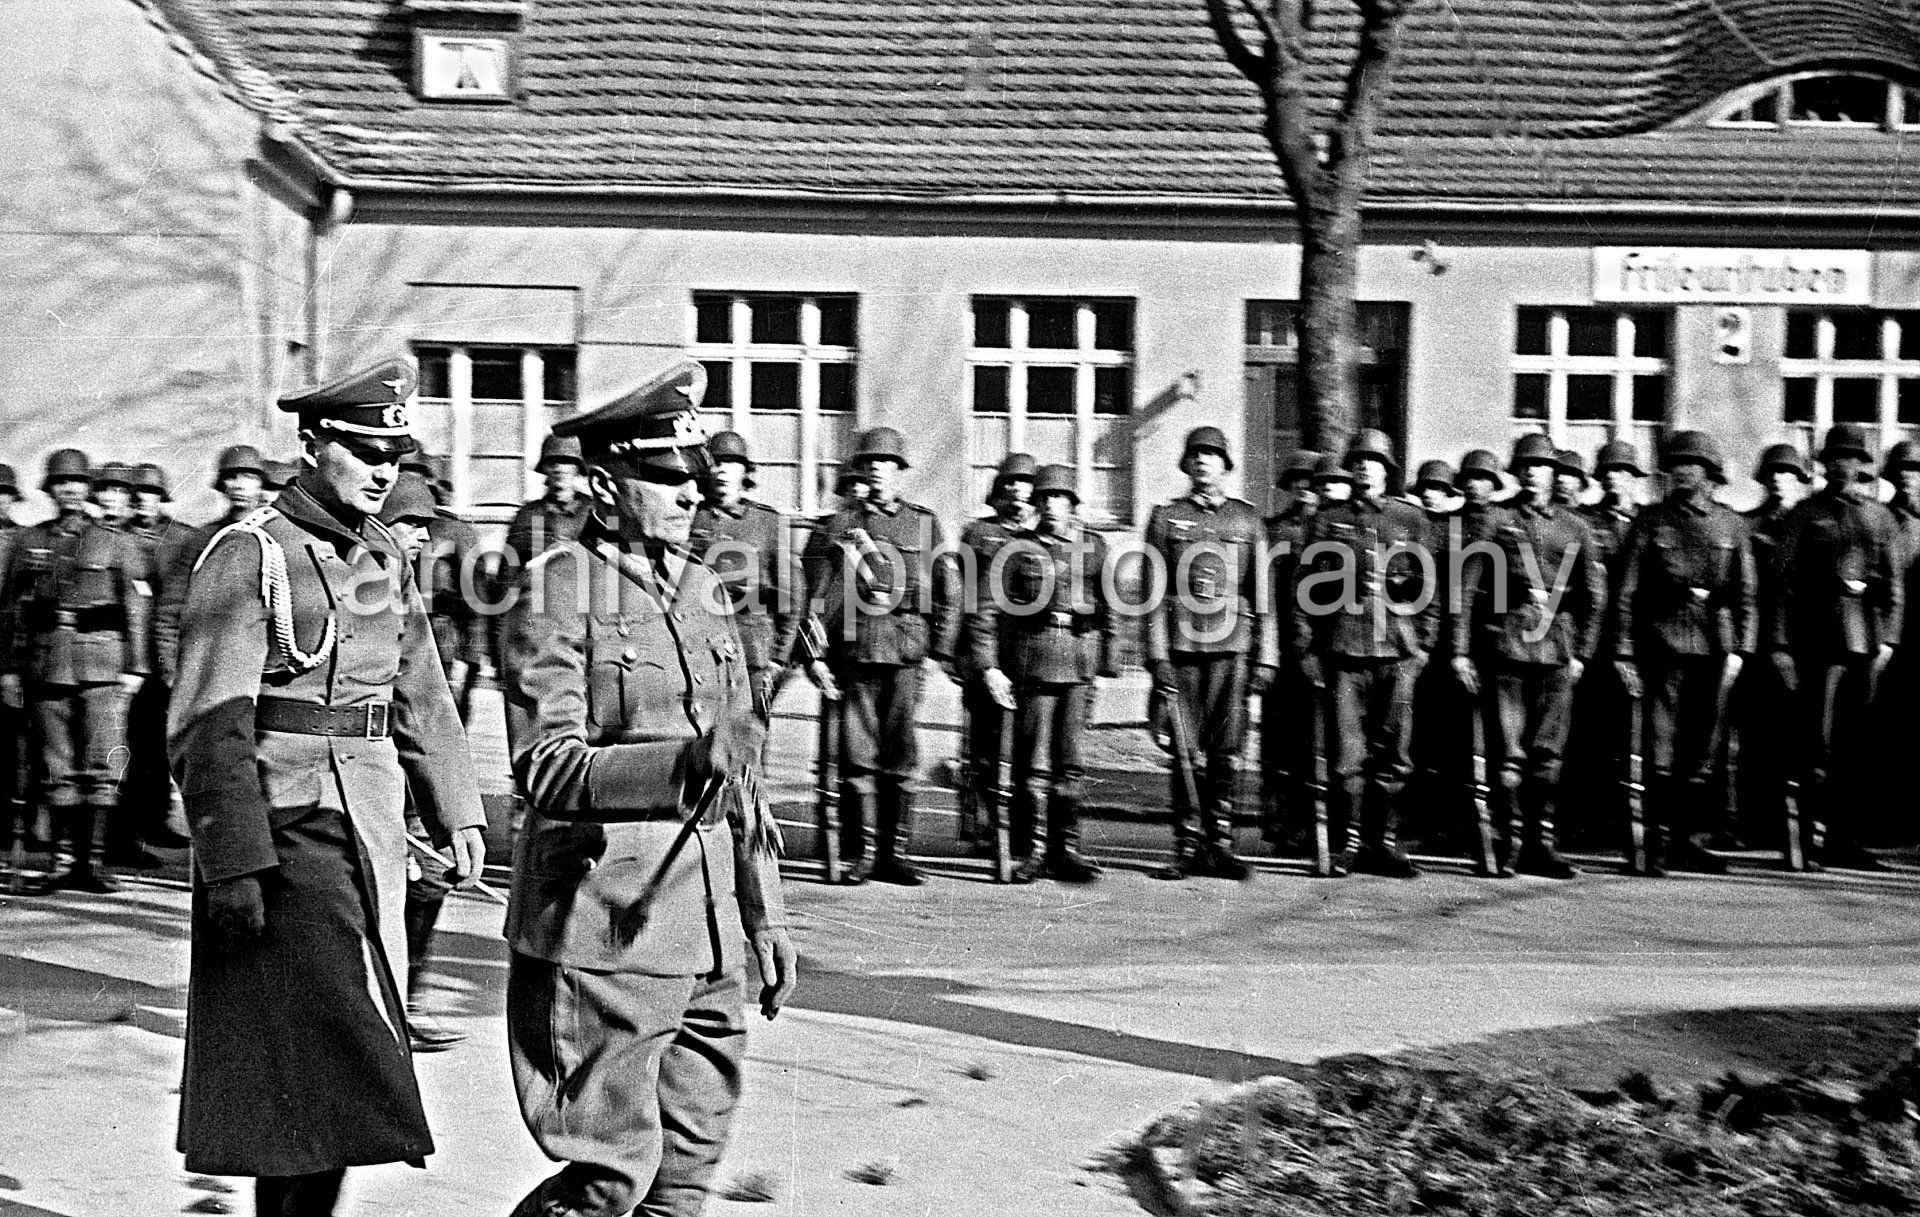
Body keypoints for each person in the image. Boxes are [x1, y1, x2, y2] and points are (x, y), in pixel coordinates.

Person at [169, 358, 486, 1217]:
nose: (383, 472)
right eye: (363, 451)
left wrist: (456, 808)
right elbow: (209, 725)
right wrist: (233, 864)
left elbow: (420, 687)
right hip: (284, 832)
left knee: (341, 1061)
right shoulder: (251, 553)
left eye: (393, 455)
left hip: (371, 826)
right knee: (316, 1056)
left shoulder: (379, 552)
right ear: (312, 445)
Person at [498, 358, 794, 1217]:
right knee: (604, 1179)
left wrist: (765, 914)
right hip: (607, 924)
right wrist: (682, 763)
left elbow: (741, 777)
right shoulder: (558, 585)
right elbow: (547, 764)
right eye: (666, 476)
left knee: (685, 1179)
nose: (691, 492)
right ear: (603, 485)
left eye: (694, 475)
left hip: (709, 930)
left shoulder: (705, 588)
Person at [801, 425, 959, 885]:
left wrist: (939, 651)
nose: (877, 471)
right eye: (870, 464)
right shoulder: (838, 526)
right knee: (857, 757)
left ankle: (896, 853)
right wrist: (814, 658)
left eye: (886, 464)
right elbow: (813, 596)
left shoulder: (923, 523)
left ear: (899, 470)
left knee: (901, 756)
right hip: (855, 652)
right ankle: (864, 853)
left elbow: (948, 591)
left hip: (906, 651)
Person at [1452, 434, 1606, 878]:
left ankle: (1544, 844)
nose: (1534, 473)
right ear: (1516, 473)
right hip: (1508, 649)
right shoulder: (1497, 521)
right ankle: (1510, 840)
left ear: (1555, 474)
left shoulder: (1575, 528)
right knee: (1509, 753)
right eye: (1527, 466)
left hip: (1558, 652)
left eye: (1542, 466)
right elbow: (1466, 591)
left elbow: (1594, 596)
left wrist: (1582, 653)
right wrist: (1460, 653)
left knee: (1549, 755)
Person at [0, 450, 152, 893]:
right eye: (61, 482)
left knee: (104, 763)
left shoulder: (115, 541)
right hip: (47, 664)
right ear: (50, 489)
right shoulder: (29, 541)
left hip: (103, 665)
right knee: (56, 764)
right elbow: (11, 610)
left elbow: (136, 608)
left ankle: (95, 861)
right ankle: (63, 861)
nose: (69, 489)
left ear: (90, 489)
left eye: (77, 482)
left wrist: (136, 666)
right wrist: (8, 670)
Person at [1293, 429, 1438, 878]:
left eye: (1373, 462)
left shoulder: (1410, 519)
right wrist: (1306, 648)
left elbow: (1431, 589)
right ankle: (1351, 843)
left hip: (1397, 651)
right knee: (1348, 754)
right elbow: (1303, 591)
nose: (1364, 469)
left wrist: (1424, 645)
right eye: (1357, 461)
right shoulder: (1327, 520)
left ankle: (1387, 843)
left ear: (1387, 471)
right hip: (1345, 651)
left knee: (1394, 751)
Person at [1611, 430, 1756, 876]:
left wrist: (1741, 649)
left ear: (1708, 472)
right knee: (1660, 746)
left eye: (1689, 464)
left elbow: (1746, 593)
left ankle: (1687, 839)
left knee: (1703, 747)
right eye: (1675, 464)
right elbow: (1627, 592)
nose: (1680, 471)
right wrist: (1624, 651)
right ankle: (1654, 842)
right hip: (1663, 646)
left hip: (1715, 647)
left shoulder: (1731, 525)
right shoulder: (1651, 521)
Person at [971, 463, 1116, 882]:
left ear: (1073, 503)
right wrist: (989, 667)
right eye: (1045, 497)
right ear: (1036, 504)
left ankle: (1066, 849)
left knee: (1071, 761)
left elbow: (1111, 609)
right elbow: (986, 611)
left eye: (1060, 497)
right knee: (1034, 762)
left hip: (1079, 661)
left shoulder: (1095, 547)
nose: (1052, 504)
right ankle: (1034, 850)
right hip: (1033, 662)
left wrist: (1107, 662)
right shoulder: (1017, 549)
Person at [1144, 425, 1274, 881]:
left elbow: (1263, 596)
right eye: (1196, 454)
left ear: (1225, 465)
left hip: (1232, 651)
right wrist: (1157, 657)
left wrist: (1267, 657)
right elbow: (1153, 595)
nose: (1203, 461)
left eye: (1212, 455)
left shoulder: (1247, 520)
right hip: (1182, 650)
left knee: (1226, 750)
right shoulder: (1166, 518)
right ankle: (1187, 845)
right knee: (1184, 751)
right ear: (1186, 464)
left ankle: (1221, 845)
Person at [1772, 424, 1903, 872]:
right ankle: (1808, 839)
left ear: (1863, 466)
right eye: (1836, 458)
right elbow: (1782, 584)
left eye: (1852, 458)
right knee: (1818, 744)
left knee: (1858, 744)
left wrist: (1889, 639)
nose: (1843, 466)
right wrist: (1781, 645)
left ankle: (1846, 840)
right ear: (1825, 465)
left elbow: (1894, 585)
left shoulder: (1880, 518)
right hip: (1818, 642)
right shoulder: (1805, 515)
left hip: (1866, 642)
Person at [377, 471, 472, 1052]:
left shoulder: (403, 587)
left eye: (423, 526)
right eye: (408, 525)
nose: (421, 537)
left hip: (406, 758)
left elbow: (424, 702)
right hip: (358, 767)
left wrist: (456, 811)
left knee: (428, 876)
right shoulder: (353, 580)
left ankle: (404, 1000)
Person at [689, 430, 820, 720]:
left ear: (745, 472)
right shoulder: (691, 519)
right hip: (700, 647)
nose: (723, 470)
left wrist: (779, 657)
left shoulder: (767, 522)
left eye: (732, 463)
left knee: (750, 731)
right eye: (716, 463)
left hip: (753, 651)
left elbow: (793, 596)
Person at [953, 453, 1037, 849]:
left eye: (1026, 483)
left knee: (1024, 743)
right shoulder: (978, 534)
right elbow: (962, 596)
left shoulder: (1039, 539)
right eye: (1010, 482)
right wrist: (961, 655)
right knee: (982, 743)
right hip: (982, 648)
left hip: (1026, 652)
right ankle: (979, 824)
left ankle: (1018, 829)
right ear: (999, 489)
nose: (1018, 490)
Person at [1732, 443, 1812, 853]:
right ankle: (1754, 823)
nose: (1781, 480)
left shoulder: (1811, 521)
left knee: (1801, 736)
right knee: (1755, 735)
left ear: (1801, 480)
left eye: (1789, 474)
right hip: (1758, 641)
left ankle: (1798, 827)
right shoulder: (1749, 525)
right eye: (1774, 474)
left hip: (1805, 640)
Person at [116, 462, 194, 864]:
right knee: (126, 750)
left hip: (164, 659)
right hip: (125, 660)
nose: (144, 501)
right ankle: (124, 836)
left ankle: (156, 820)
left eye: (151, 494)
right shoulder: (117, 537)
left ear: (161, 499)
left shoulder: (180, 538)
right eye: (138, 495)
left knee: (159, 748)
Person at [154, 445, 268, 685]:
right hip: (210, 664)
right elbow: (170, 610)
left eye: (249, 477)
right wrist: (171, 672)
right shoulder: (201, 539)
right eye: (231, 477)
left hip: (265, 669)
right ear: (222, 485)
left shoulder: (277, 536)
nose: (239, 485)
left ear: (261, 484)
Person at [1259, 450, 1322, 849]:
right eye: (1297, 481)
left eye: (1311, 481)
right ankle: (1280, 823)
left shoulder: (1331, 528)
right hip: (1281, 650)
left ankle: (1318, 825)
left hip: (1321, 651)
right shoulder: (1272, 531)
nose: (1304, 488)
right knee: (1279, 741)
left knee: (1318, 742)